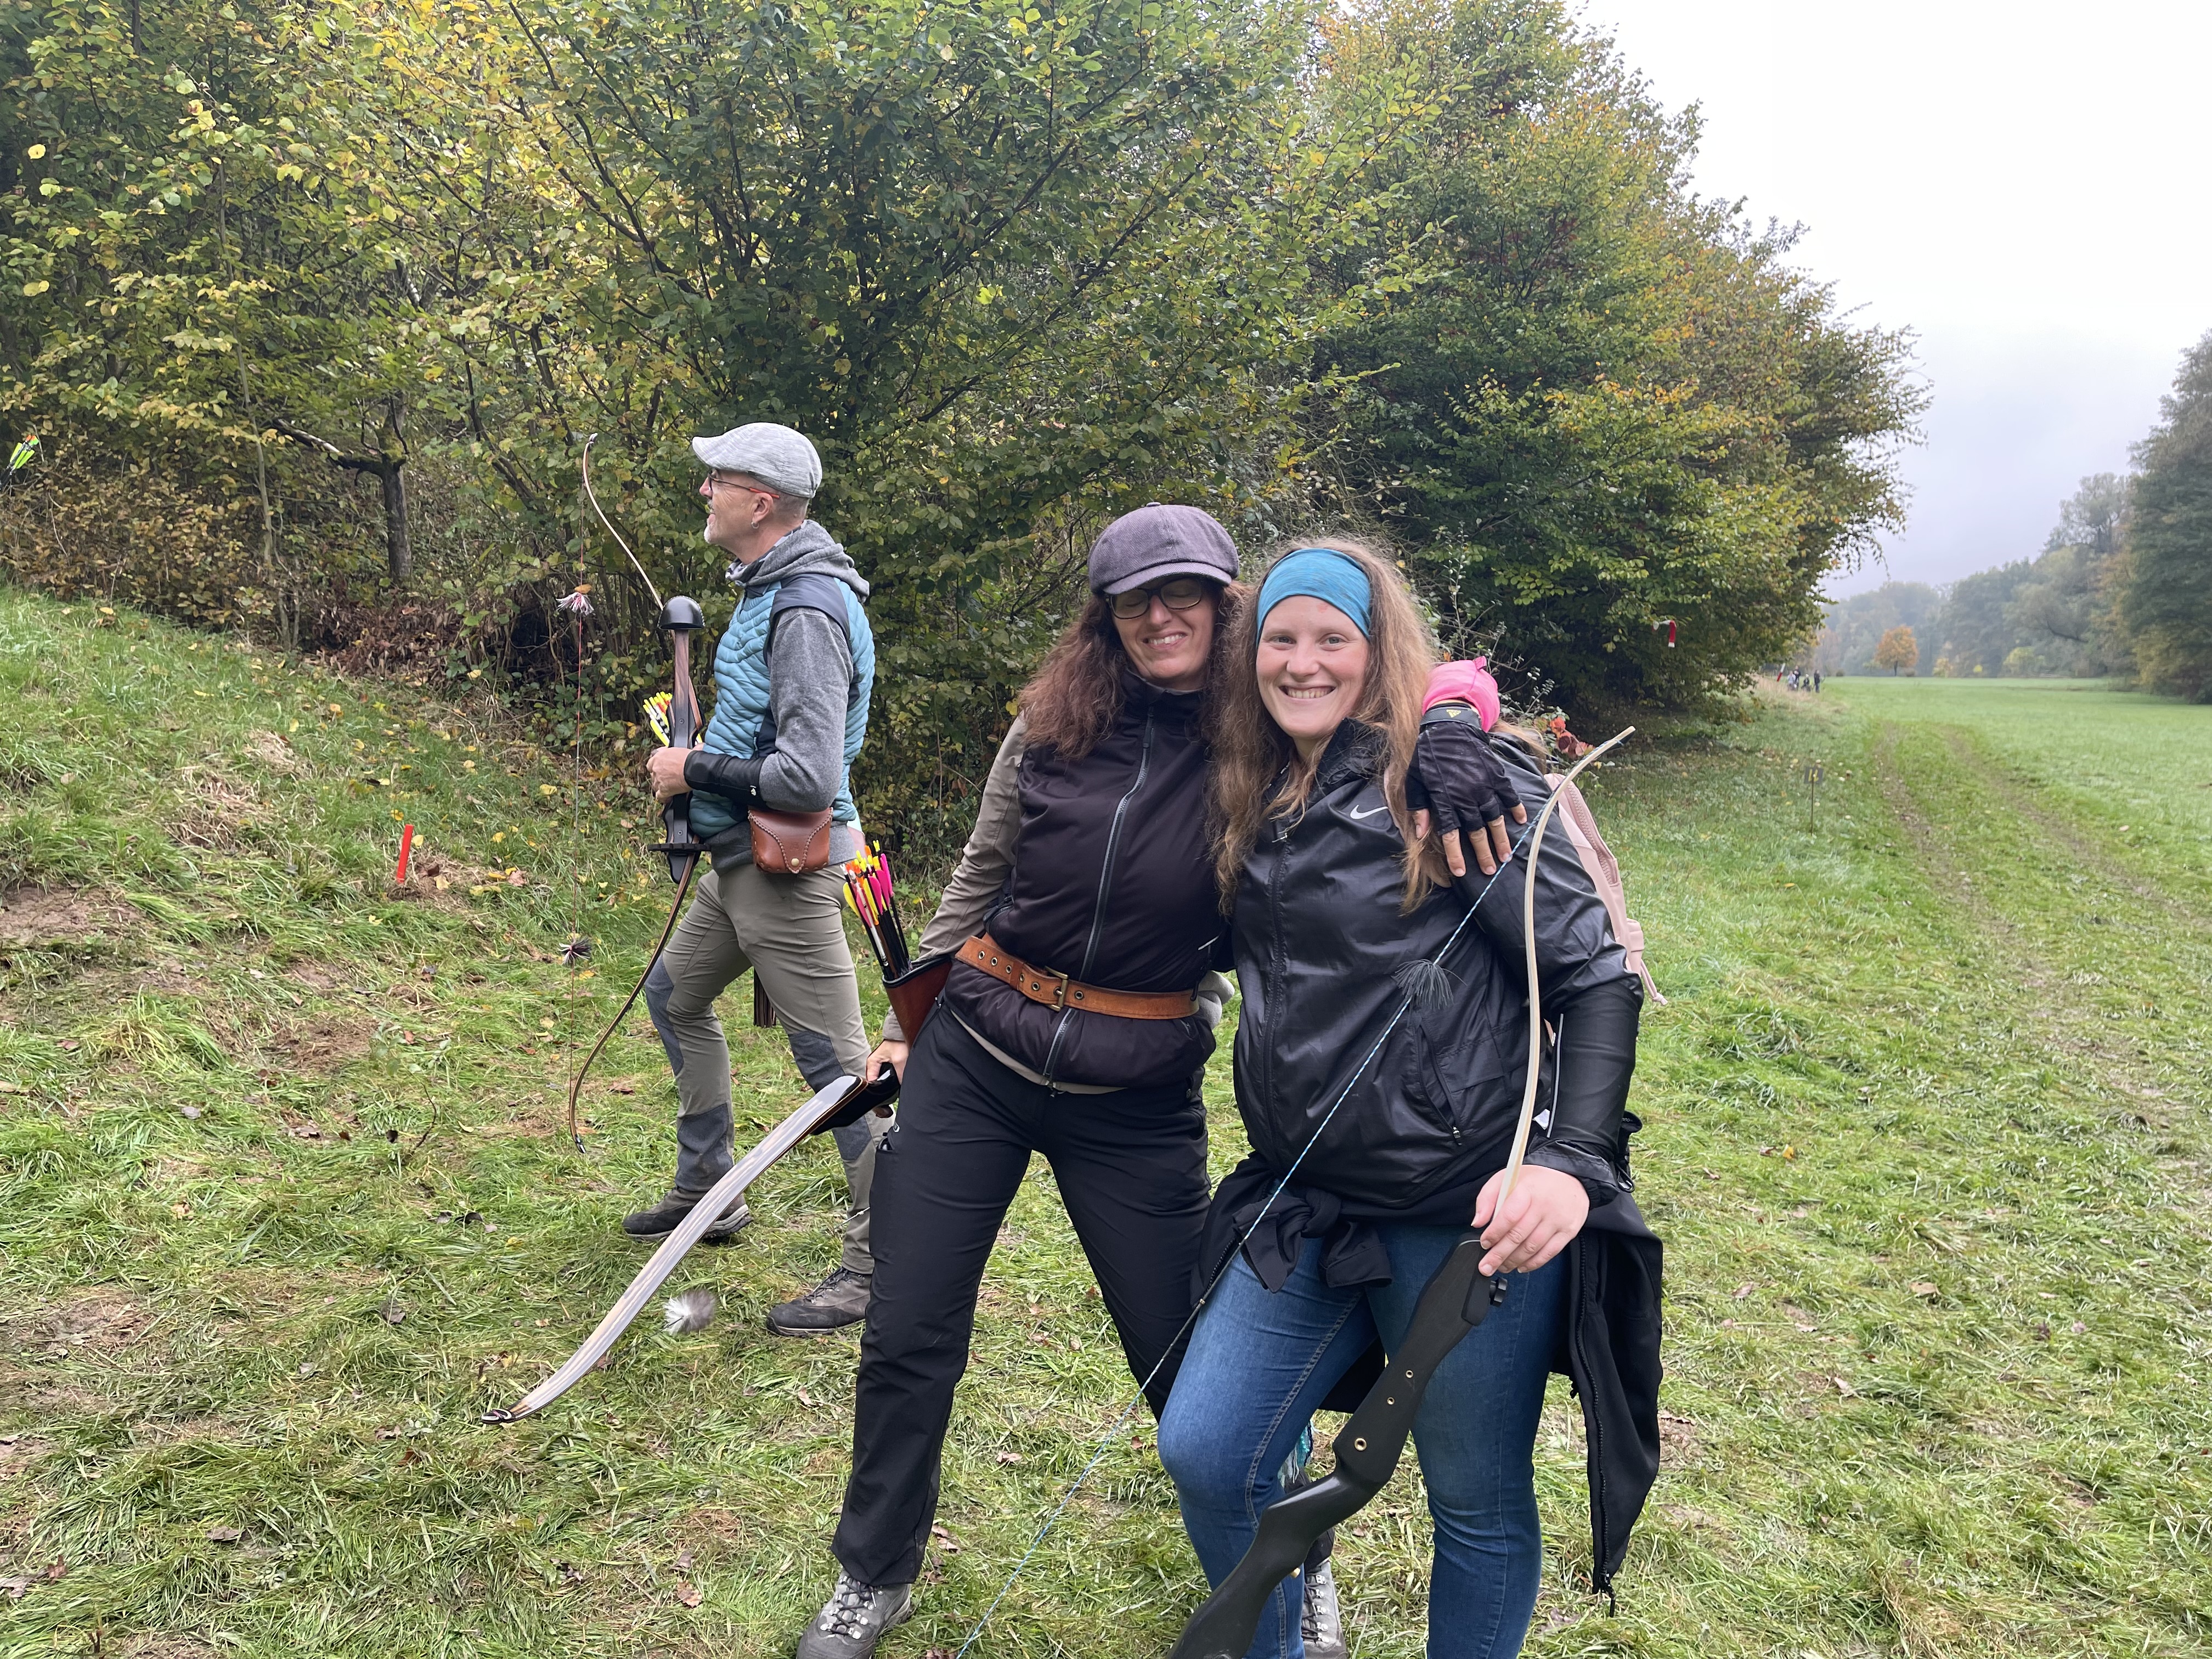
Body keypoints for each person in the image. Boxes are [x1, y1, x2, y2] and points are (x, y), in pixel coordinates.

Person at [792, 509, 1529, 1659]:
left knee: (1184, 1360)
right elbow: (981, 874)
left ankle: (1296, 1556)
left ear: (1226, 605)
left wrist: (1452, 719)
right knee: (907, 1326)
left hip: (1135, 1094)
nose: (1161, 614)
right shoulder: (1051, 723)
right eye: (1135, 599)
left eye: (1185, 592)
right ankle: (871, 1572)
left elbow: (1387, 674)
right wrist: (909, 1027)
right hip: (979, 1053)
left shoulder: (1270, 736)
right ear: (1107, 617)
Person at [1157, 543, 1650, 1659]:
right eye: (1281, 638)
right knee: (1210, 1451)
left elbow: (1594, 975)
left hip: (1463, 1214)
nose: (1303, 662)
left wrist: (1571, 1163)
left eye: (1333, 638)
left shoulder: (1452, 784)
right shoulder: (1251, 788)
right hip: (1310, 1202)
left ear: (1378, 652)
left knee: (1474, 1499)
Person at [633, 421, 884, 1336]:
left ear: (762, 501)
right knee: (674, 998)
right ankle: (711, 1186)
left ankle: (886, 1263)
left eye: (718, 479)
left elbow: (808, 778)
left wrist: (691, 768)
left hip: (788, 873)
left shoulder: (806, 608)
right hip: (741, 864)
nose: (705, 492)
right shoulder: (770, 589)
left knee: (844, 1078)